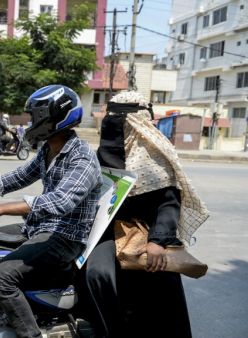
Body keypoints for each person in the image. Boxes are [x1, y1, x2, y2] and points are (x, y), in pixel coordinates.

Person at [0, 85, 102, 338]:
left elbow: (59, 202)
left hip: (65, 238)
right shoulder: (50, 149)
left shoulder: (82, 157)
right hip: (39, 228)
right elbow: (21, 175)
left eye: (34, 117)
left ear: (53, 117)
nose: (30, 123)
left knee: (2, 277)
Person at [83, 91, 209, 338]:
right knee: (95, 273)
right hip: (110, 230)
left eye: (118, 119)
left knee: (158, 297)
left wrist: (157, 241)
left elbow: (169, 202)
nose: (112, 125)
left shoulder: (154, 156)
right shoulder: (103, 153)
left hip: (150, 235)